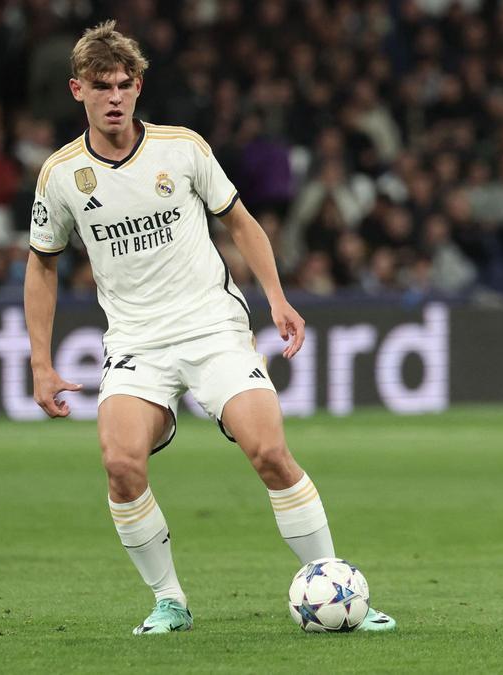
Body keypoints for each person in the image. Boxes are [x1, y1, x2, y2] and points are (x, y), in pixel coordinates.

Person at [23, 21, 395, 635]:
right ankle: (169, 600)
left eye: (123, 85)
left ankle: (339, 589)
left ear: (139, 86)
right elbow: (41, 264)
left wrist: (276, 298)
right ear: (76, 90)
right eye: (100, 86)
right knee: (121, 465)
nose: (114, 97)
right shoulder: (61, 175)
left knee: (270, 452)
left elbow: (242, 223)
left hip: (214, 329)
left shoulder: (182, 148)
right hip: (136, 344)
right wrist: (40, 362)